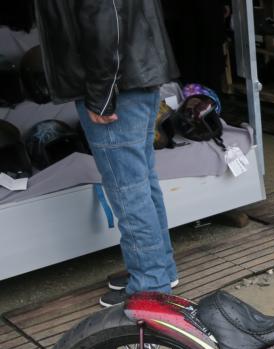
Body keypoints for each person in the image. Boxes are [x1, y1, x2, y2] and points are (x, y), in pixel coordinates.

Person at [34, 0, 180, 307]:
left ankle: (150, 284)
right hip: (133, 78)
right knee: (141, 183)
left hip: (118, 86)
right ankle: (158, 270)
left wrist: (102, 94)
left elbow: (105, 19)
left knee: (129, 190)